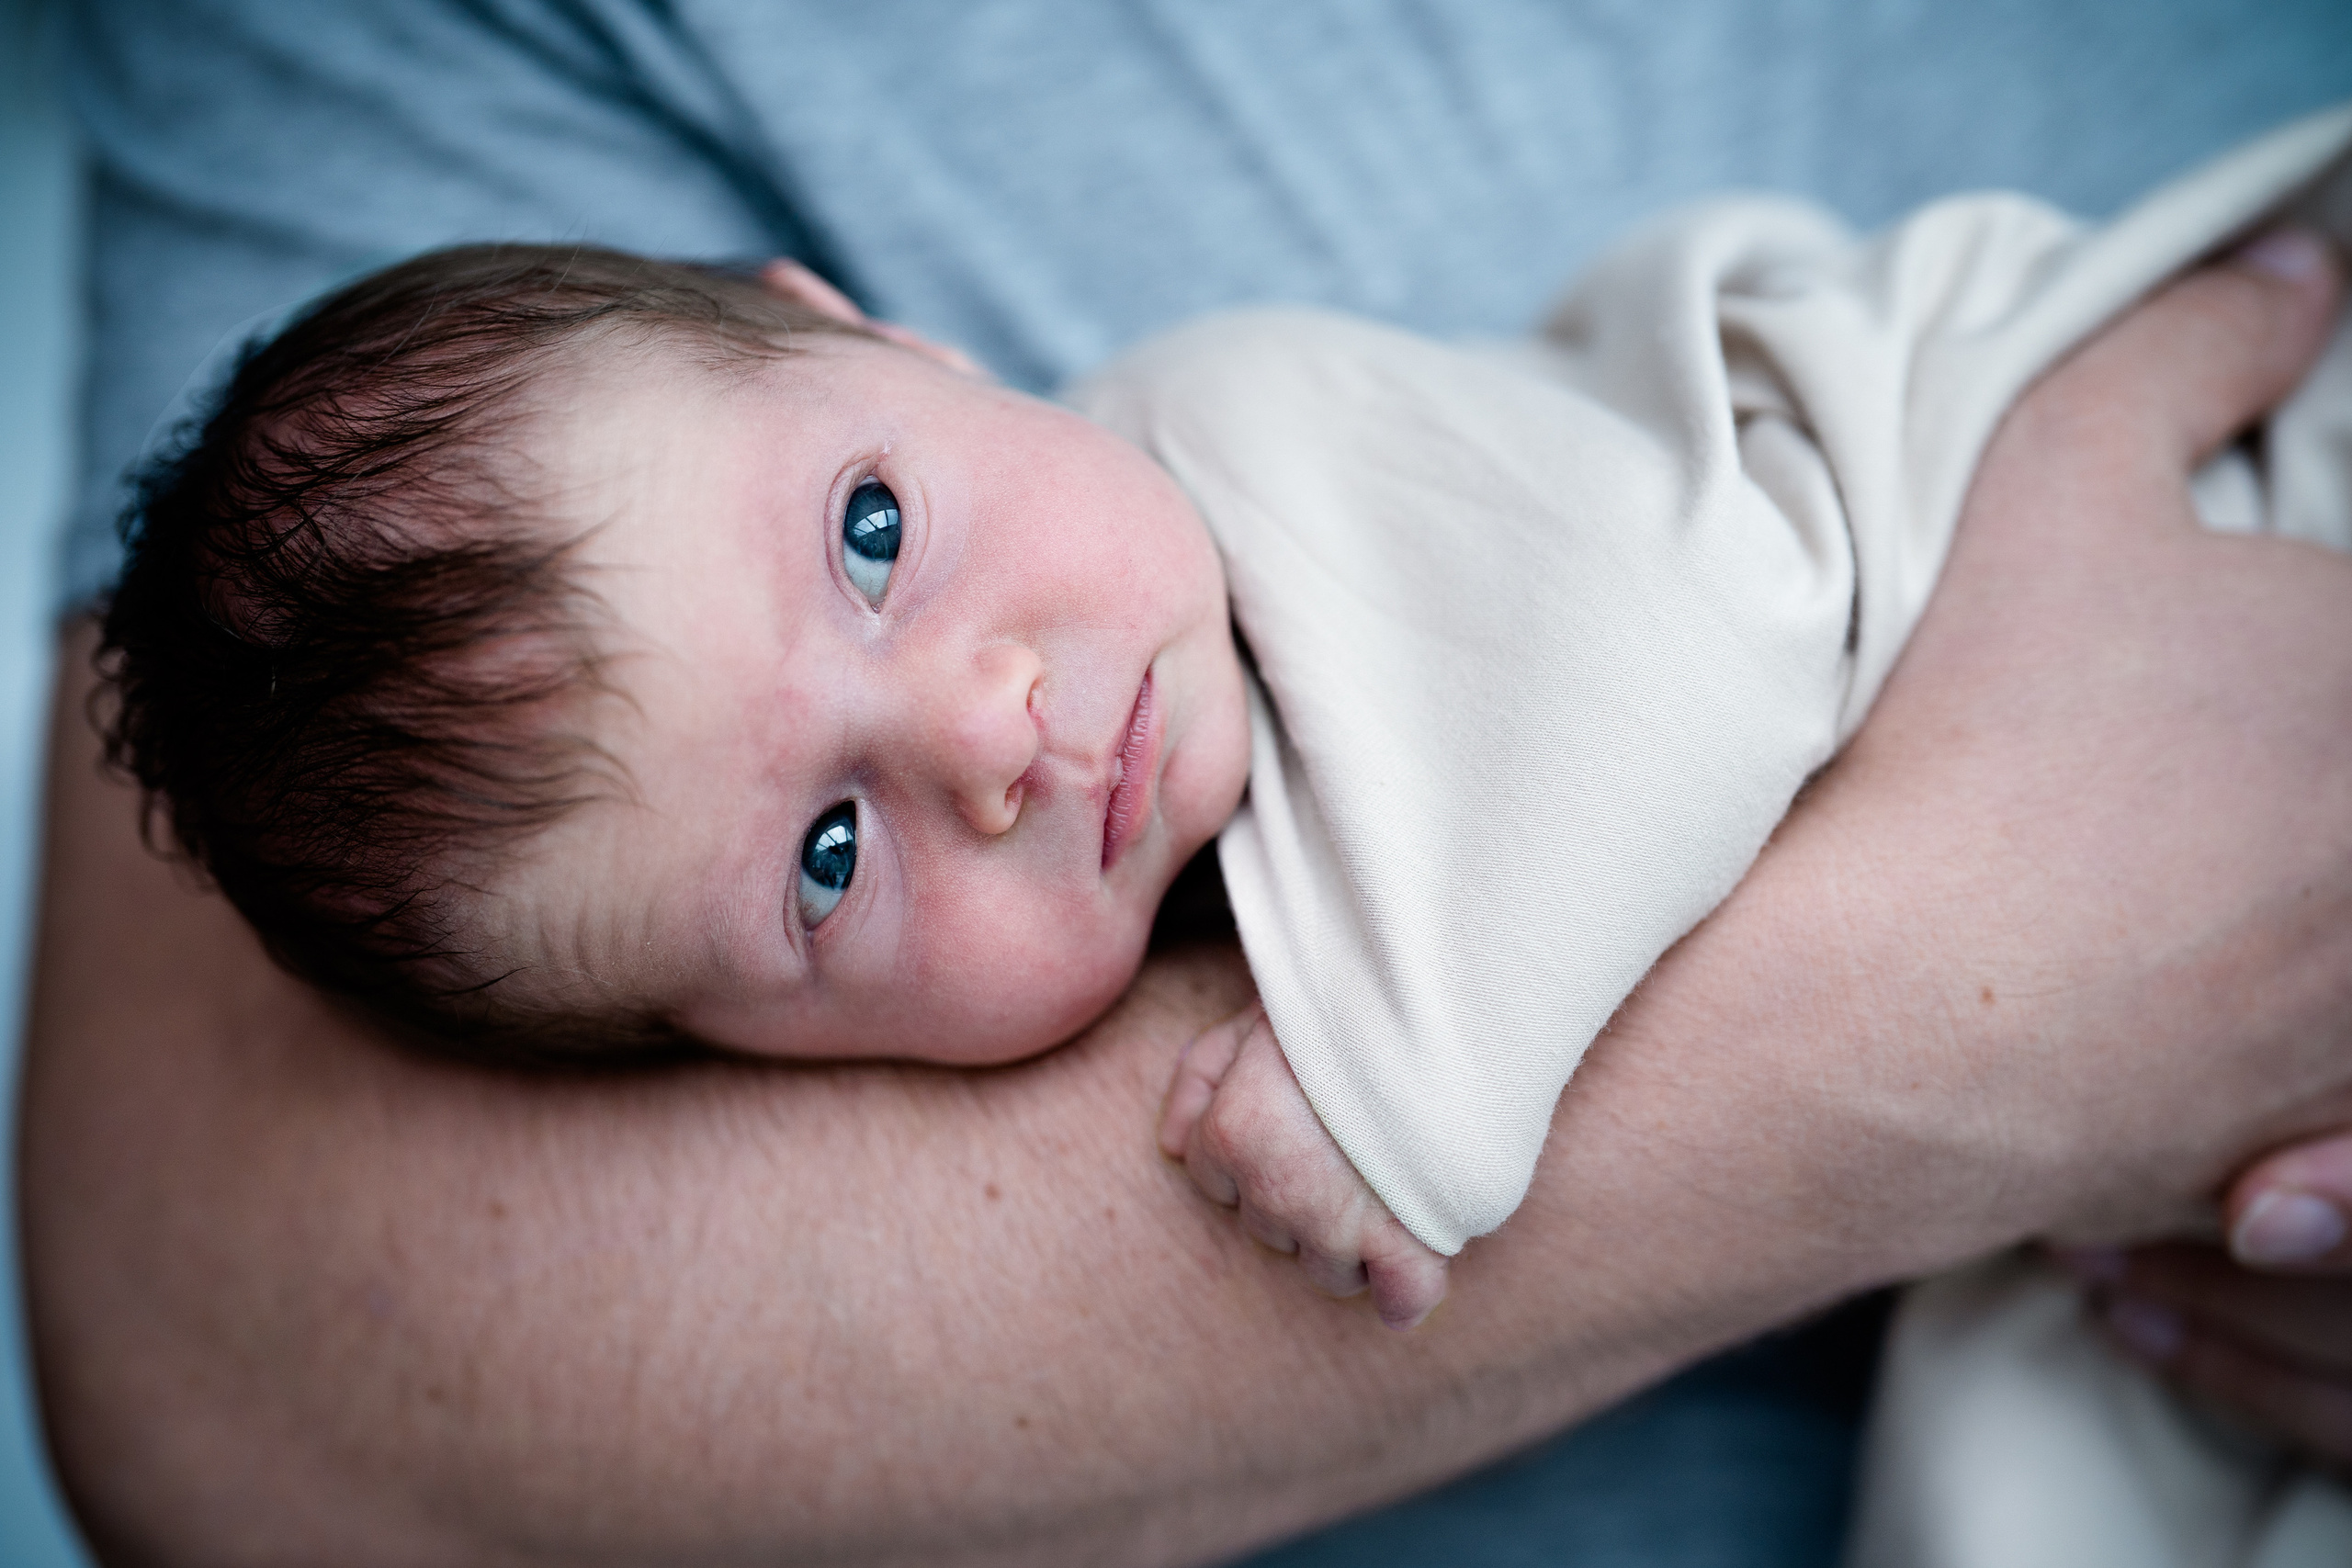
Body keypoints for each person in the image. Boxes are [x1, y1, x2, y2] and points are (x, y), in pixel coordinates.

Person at [27, 4, 2352, 1563]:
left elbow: (1672, 659)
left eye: (871, 532)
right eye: (827, 859)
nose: (979, 727)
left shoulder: (1252, 441)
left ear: (875, 334)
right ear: (748, 1061)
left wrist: (1390, 1099)